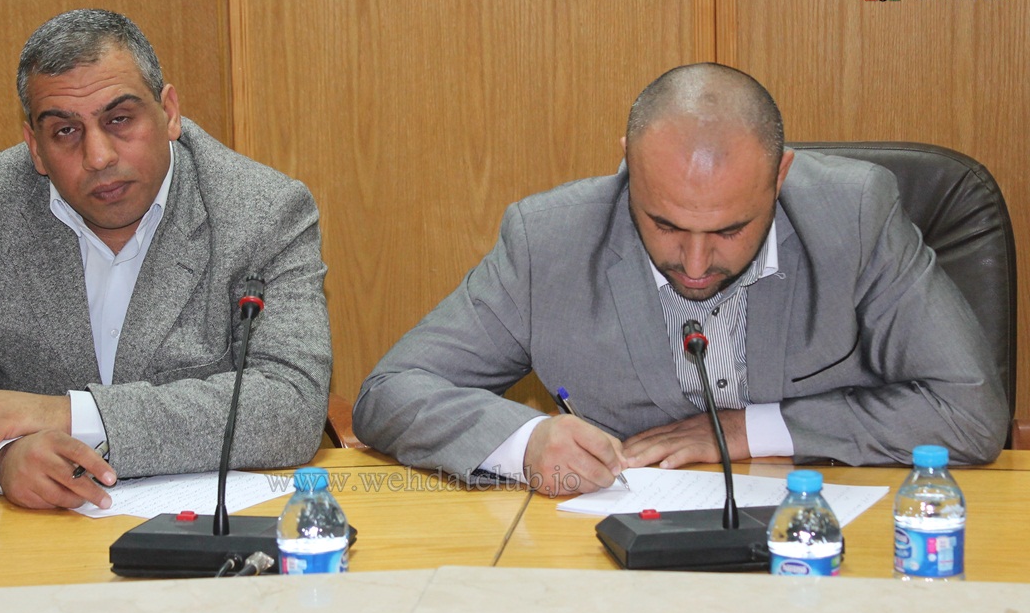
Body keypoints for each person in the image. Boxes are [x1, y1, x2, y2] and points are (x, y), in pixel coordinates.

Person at [353, 63, 1007, 496]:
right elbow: (392, 391)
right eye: (664, 224)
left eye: (730, 230)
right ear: (628, 169)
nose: (695, 264)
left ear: (780, 177)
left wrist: (750, 430)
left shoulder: (856, 216)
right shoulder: (549, 240)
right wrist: (525, 443)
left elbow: (970, 412)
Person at [0, 9, 331, 509]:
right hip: (27, 533)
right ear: (35, 147)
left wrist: (73, 415)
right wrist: (0, 461)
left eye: (119, 120)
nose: (99, 156)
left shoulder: (263, 211)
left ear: (169, 113)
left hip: (200, 530)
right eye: (65, 131)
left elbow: (292, 406)